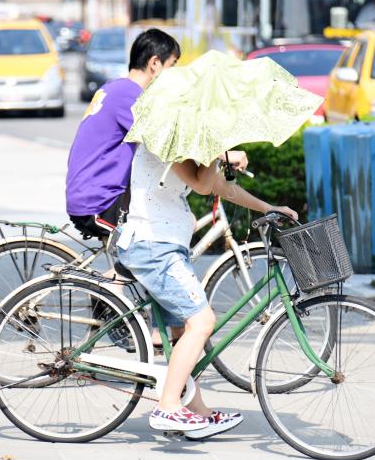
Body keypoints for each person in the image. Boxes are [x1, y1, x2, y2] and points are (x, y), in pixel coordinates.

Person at [65, 28, 248, 347]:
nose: (174, 74)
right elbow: (170, 135)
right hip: (101, 197)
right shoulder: (133, 97)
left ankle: (148, 330)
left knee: (157, 242)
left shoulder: (115, 88)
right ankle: (126, 320)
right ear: (154, 64)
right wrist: (224, 152)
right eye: (172, 64)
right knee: (144, 251)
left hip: (94, 189)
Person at [116, 147, 298, 439]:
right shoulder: (168, 141)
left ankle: (197, 410)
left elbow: (218, 186)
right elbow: (202, 185)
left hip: (166, 246)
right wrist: (220, 152)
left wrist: (267, 208)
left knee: (180, 333)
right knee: (202, 322)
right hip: (154, 247)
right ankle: (168, 406)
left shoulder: (185, 144)